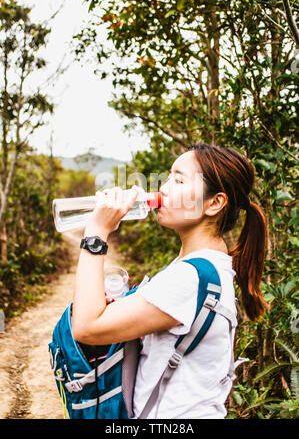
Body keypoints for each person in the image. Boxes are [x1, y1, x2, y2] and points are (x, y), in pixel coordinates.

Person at [72, 142, 268, 419]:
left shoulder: (189, 277)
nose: (163, 187)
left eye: (178, 180)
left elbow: (86, 327)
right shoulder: (200, 267)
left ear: (214, 204)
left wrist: (96, 231)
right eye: (167, 177)